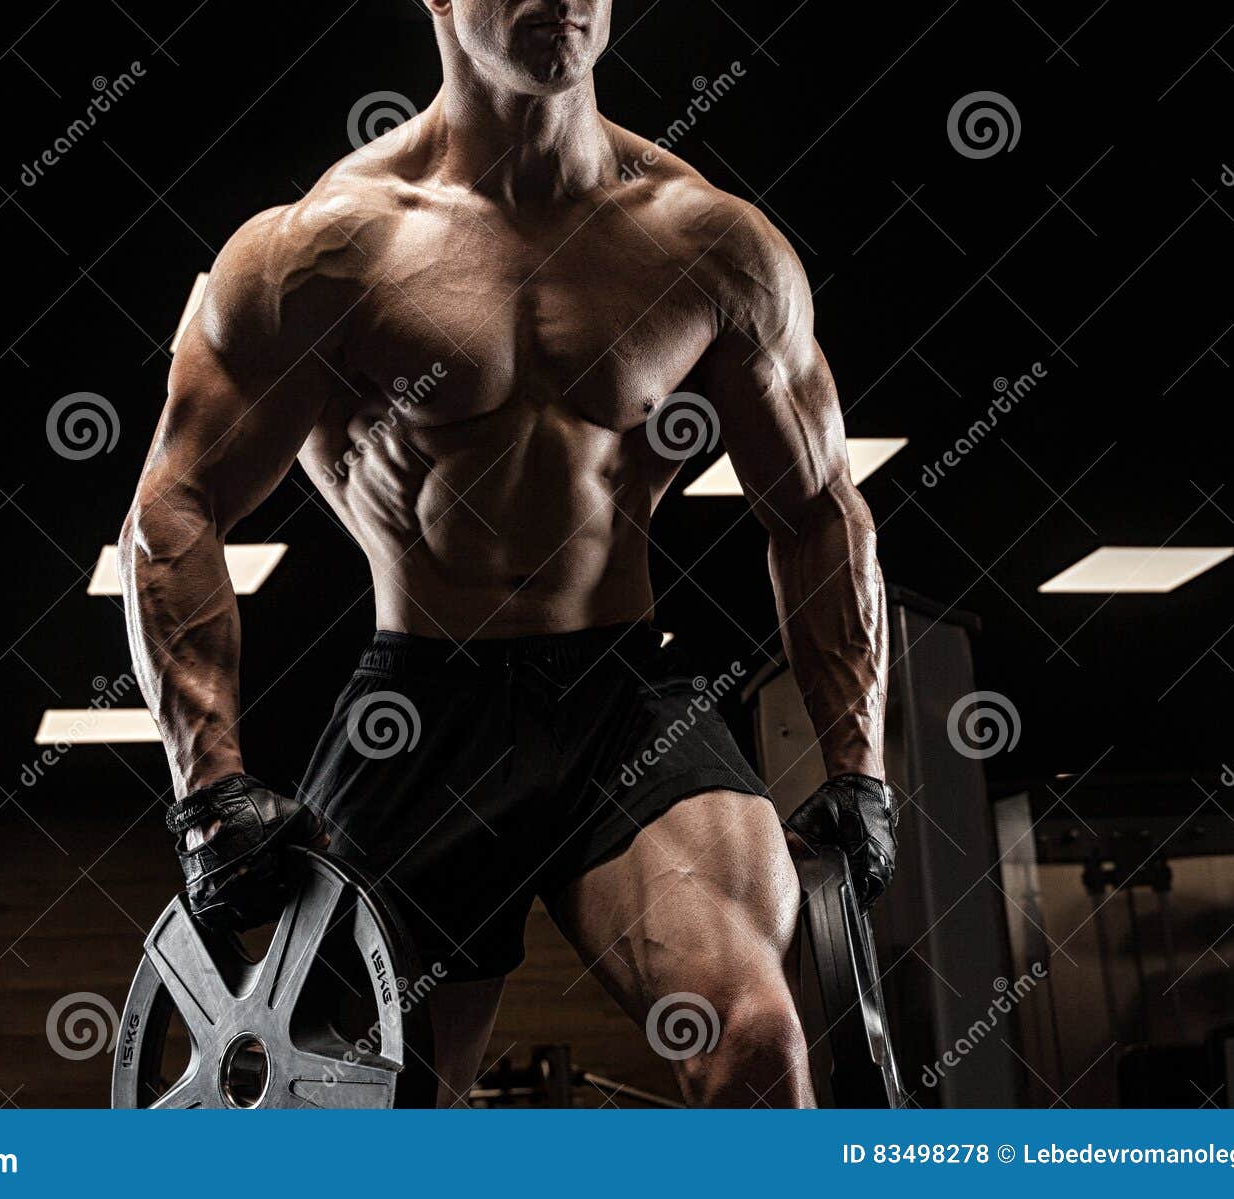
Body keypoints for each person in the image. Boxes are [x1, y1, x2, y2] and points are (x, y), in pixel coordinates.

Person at [118, 0, 894, 1108]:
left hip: (621, 695)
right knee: (375, 1103)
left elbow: (817, 508)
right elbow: (173, 508)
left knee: (756, 1043)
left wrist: (859, 769)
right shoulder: (320, 250)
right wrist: (207, 787)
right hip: (421, 708)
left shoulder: (710, 243)